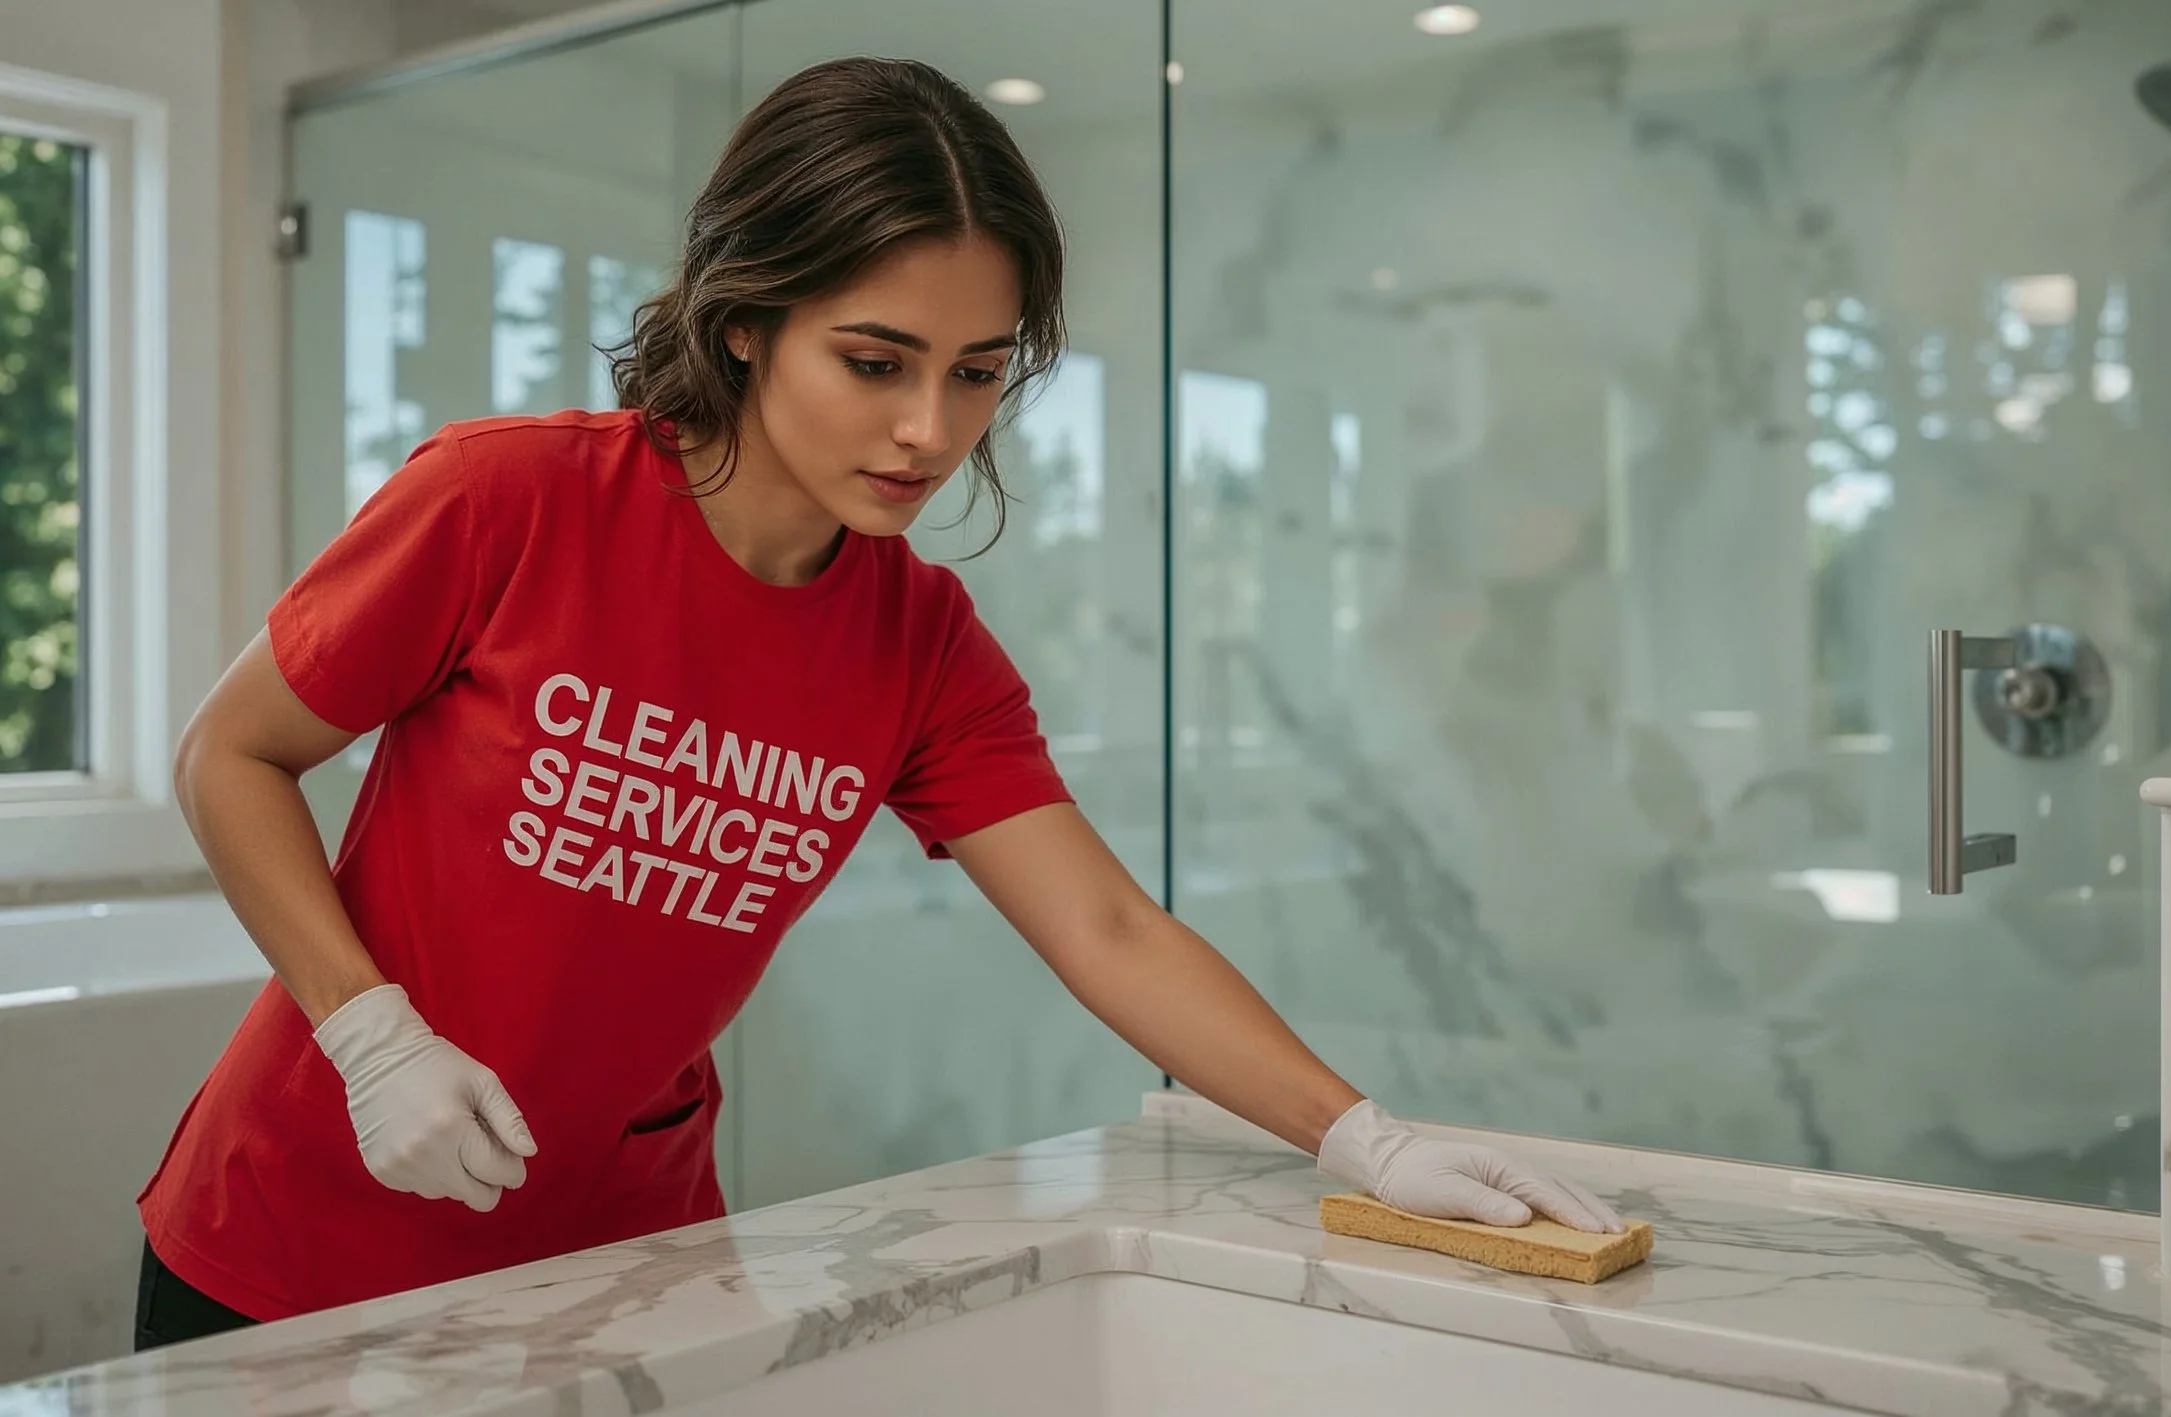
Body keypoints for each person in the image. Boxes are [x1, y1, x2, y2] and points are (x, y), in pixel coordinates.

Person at [132, 56, 1622, 1351]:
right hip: (294, 1236)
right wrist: (373, 1036)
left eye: (977, 373)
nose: (929, 430)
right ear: (742, 322)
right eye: (874, 360)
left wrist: (1364, 1138)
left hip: (614, 1262)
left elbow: (1107, 929)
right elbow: (231, 755)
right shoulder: (508, 499)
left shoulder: (920, 644)